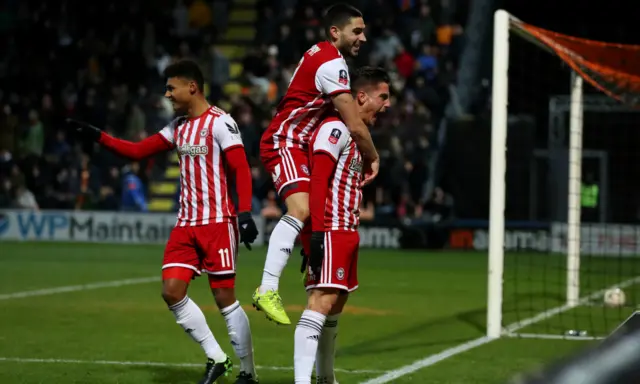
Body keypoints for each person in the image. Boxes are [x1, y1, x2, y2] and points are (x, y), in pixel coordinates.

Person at [66, 60, 259, 384]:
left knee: (224, 298)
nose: (167, 94)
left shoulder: (221, 123)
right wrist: (99, 137)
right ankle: (217, 357)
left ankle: (248, 373)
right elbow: (139, 151)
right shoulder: (178, 126)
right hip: (186, 223)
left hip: (216, 222)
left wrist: (243, 214)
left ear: (192, 87)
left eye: (172, 88)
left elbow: (240, 168)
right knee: (171, 291)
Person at [254, 3, 380, 326]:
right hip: (286, 141)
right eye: (357, 31)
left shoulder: (320, 54)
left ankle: (304, 259)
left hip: (298, 143)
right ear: (335, 32)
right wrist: (373, 156)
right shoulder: (332, 64)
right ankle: (267, 288)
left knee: (308, 211)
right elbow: (353, 124)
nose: (363, 38)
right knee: (300, 210)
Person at [295, 67, 391, 384]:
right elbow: (319, 180)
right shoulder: (334, 128)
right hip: (331, 228)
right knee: (320, 301)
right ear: (361, 97)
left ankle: (326, 378)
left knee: (336, 302)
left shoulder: (354, 133)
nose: (387, 104)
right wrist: (319, 233)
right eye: (383, 96)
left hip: (346, 230)